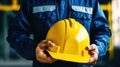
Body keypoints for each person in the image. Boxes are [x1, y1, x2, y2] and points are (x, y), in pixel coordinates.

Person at [7, 0, 111, 67]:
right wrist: (33, 50)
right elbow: (15, 33)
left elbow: (102, 31)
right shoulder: (32, 1)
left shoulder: (90, 1)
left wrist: (98, 49)